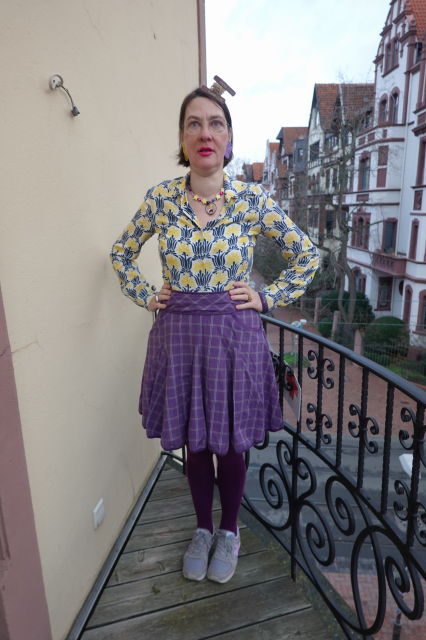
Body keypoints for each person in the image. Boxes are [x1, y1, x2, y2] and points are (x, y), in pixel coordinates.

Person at [110, 79, 319, 584]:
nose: (205, 133)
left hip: (235, 339)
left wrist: (267, 296)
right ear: (183, 139)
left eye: (216, 124)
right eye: (194, 124)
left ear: (228, 139)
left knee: (231, 444)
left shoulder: (251, 199)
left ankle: (230, 530)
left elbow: (307, 255)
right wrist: (147, 294)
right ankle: (203, 527)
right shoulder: (161, 200)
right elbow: (121, 253)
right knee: (197, 443)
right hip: (179, 337)